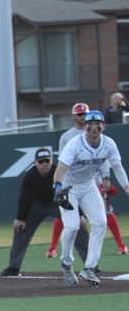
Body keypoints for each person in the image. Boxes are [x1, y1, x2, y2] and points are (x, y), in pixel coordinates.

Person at [54, 110, 129, 286]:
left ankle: (89, 267)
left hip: (88, 185)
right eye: (90, 125)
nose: (93, 128)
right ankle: (66, 263)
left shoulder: (108, 144)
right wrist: (58, 189)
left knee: (100, 222)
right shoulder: (74, 144)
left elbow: (117, 167)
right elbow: (60, 170)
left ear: (103, 126)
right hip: (68, 185)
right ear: (85, 127)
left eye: (97, 124)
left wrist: (127, 186)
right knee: (72, 226)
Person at [0, 147, 89, 277]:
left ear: (51, 161)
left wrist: (79, 214)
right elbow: (25, 197)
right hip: (37, 205)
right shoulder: (30, 176)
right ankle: (13, 267)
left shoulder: (58, 171)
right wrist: (21, 218)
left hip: (58, 204)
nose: (44, 164)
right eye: (41, 161)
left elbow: (71, 194)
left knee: (79, 226)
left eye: (47, 161)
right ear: (35, 163)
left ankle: (91, 264)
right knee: (20, 229)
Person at [47, 103, 89, 258]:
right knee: (68, 218)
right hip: (71, 180)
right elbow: (62, 163)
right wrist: (60, 182)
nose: (83, 117)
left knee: (102, 217)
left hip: (91, 180)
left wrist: (105, 177)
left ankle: (94, 259)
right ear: (73, 116)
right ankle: (58, 251)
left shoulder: (94, 133)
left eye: (85, 114)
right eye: (80, 114)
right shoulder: (67, 136)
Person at [98, 166, 129, 254]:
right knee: (68, 216)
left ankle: (121, 245)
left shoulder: (102, 156)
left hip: (96, 182)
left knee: (106, 213)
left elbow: (114, 191)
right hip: (76, 183)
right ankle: (54, 247)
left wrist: (106, 180)